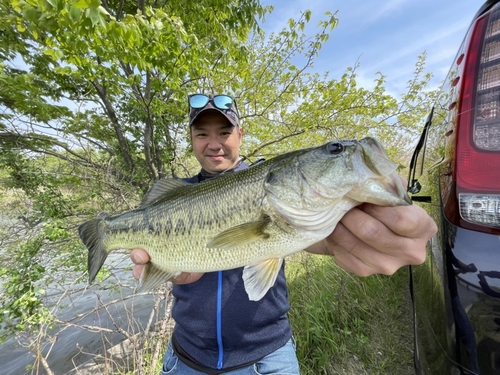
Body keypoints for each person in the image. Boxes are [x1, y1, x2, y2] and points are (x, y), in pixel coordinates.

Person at [131, 93, 437, 374]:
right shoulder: (175, 197)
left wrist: (352, 236)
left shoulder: (287, 199)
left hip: (267, 357)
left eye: (224, 133)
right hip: (186, 358)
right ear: (192, 140)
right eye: (202, 134)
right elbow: (153, 266)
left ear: (240, 135)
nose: (214, 143)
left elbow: (316, 236)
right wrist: (161, 269)